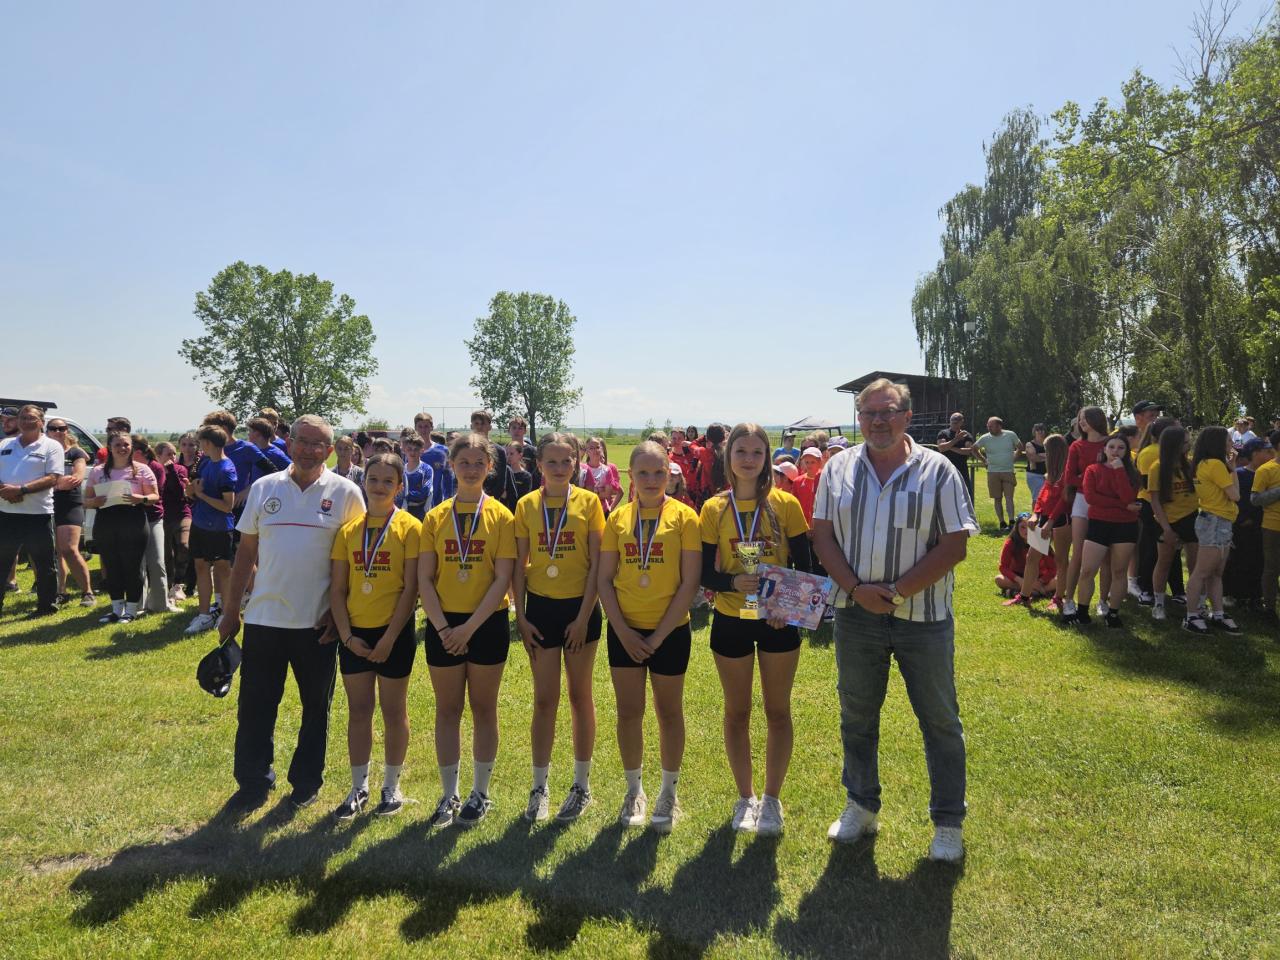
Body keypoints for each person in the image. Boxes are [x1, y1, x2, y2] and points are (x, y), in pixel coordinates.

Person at [812, 378, 976, 862]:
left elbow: (955, 544)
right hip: (856, 616)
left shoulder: (938, 470)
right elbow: (823, 537)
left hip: (923, 617)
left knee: (940, 721)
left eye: (888, 412)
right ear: (859, 418)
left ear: (907, 416)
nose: (878, 421)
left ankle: (948, 823)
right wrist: (856, 590)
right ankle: (861, 805)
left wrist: (897, 591)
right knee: (857, 716)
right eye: (869, 413)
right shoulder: (837, 469)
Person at [219, 415, 365, 809]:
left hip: (317, 623)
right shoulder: (265, 488)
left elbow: (356, 559)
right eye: (302, 441)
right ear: (290, 443)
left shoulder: (347, 493)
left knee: (316, 709)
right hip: (263, 619)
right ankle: (253, 782)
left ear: (329, 450)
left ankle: (306, 782)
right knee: (255, 707)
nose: (308, 450)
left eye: (318, 444)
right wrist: (231, 611)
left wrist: (339, 614)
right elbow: (245, 554)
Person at [699, 423, 811, 836]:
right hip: (732, 620)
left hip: (777, 622)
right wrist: (732, 582)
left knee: (778, 711)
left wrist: (789, 608)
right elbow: (704, 573)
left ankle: (772, 799)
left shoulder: (786, 504)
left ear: (767, 458)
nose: (748, 459)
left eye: (757, 453)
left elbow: (807, 567)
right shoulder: (713, 509)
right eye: (740, 452)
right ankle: (745, 798)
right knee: (737, 712)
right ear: (728, 457)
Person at [598, 441, 701, 833]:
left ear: (669, 472)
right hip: (625, 630)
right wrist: (623, 631)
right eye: (643, 472)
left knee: (669, 712)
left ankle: (669, 794)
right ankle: (634, 791)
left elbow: (689, 582)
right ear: (630, 475)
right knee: (628, 712)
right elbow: (604, 580)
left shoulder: (684, 517)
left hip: (670, 631)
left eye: (659, 472)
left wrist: (657, 637)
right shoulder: (618, 518)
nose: (652, 480)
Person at [417, 433, 517, 828]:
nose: (472, 470)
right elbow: (425, 579)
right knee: (447, 710)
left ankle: (480, 793)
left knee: (483, 709)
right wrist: (445, 628)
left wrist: (469, 628)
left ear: (490, 467)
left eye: (479, 463)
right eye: (464, 463)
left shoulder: (502, 517)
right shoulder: (435, 517)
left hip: (486, 623)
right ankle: (449, 794)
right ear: (451, 465)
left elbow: (502, 578)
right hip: (443, 624)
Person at [512, 432, 605, 823]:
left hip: (580, 610)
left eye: (567, 461)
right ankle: (540, 787)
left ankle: (581, 786)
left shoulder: (589, 502)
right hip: (540, 611)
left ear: (576, 463)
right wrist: (521, 616)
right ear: (538, 465)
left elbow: (597, 565)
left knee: (580, 697)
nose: (559, 467)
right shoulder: (526, 505)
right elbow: (519, 566)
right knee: (544, 700)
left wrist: (583, 618)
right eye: (551, 461)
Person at [328, 453, 421, 819]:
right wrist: (347, 636)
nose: (379, 487)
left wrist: (389, 638)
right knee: (359, 711)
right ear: (363, 482)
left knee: (394, 711)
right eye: (373, 479)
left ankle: (391, 786)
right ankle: (358, 787)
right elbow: (338, 590)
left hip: (394, 633)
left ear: (399, 487)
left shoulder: (410, 528)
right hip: (355, 635)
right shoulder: (349, 530)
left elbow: (411, 589)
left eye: (387, 481)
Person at [84, 433, 158, 623]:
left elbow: (154, 496)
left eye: (126, 444)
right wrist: (94, 501)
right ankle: (116, 610)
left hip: (133, 520)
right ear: (109, 447)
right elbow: (86, 501)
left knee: (132, 566)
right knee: (111, 565)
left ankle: (131, 610)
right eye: (117, 445)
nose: (122, 448)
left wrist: (140, 498)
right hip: (106, 520)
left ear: (132, 447)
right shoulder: (97, 471)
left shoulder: (142, 469)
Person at [0, 405, 64, 617]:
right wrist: (5, 491)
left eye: (31, 418)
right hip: (6, 513)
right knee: (2, 562)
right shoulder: (5, 444)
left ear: (41, 422)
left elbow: (53, 477)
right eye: (23, 418)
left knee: (44, 563)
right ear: (17, 421)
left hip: (38, 515)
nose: (26, 421)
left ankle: (46, 607)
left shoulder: (51, 446)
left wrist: (21, 490)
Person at [1073, 434, 1141, 628]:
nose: (1115, 451)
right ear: (1104, 449)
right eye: (1111, 447)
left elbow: (1128, 497)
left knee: (1119, 571)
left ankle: (1113, 614)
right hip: (1099, 524)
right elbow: (1092, 498)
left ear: (1127, 451)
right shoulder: (1092, 470)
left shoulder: (1132, 473)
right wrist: (1123, 506)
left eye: (1120, 448)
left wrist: (1119, 471)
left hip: (1125, 526)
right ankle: (1082, 613)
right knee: (1088, 570)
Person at [1183, 426, 1241, 635]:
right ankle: (1191, 616)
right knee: (1203, 572)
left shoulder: (1204, 463)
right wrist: (1232, 470)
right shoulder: (1215, 465)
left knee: (1215, 573)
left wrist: (1231, 467)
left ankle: (1218, 614)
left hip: (1216, 521)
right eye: (1228, 440)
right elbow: (1235, 495)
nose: (1232, 443)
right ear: (1218, 443)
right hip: (1215, 522)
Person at [1006, 434, 1071, 610]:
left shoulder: (1067, 472)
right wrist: (1036, 515)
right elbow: (1043, 496)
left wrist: (1050, 522)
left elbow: (1063, 501)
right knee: (1032, 557)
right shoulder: (1050, 473)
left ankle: (1059, 598)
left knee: (1061, 560)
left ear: (1055, 451)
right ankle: (1024, 596)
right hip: (1044, 518)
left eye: (1047, 450)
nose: (1044, 454)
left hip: (1061, 519)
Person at [185, 426, 238, 634]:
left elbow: (227, 506)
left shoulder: (226, 469)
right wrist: (191, 490)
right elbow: (193, 491)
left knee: (223, 570)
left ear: (207, 443)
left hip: (219, 528)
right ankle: (204, 615)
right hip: (199, 524)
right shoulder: (205, 462)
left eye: (200, 442)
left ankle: (226, 614)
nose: (199, 446)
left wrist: (201, 495)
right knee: (201, 567)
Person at [1059, 407, 1110, 625]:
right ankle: (1069, 599)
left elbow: (1119, 471)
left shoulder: (1111, 443)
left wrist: (1093, 479)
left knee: (1106, 555)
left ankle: (1104, 601)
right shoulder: (1076, 446)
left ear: (1097, 419)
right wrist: (1093, 481)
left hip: (1107, 502)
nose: (1081, 422)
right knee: (1078, 553)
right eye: (1080, 419)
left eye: (1085, 418)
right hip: (1082, 500)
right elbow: (1069, 477)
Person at [1147, 425, 1199, 622]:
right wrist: (1167, 529)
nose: (1188, 445)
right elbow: (1155, 501)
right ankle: (1159, 604)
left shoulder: (1190, 464)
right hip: (1168, 521)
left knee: (1196, 565)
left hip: (1192, 518)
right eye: (1185, 442)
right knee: (1164, 562)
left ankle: (1197, 603)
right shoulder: (1157, 467)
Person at [1133, 417, 1181, 605]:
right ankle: (1146, 588)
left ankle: (1177, 589)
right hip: (1151, 505)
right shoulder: (1150, 453)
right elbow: (1148, 485)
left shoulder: (1173, 453)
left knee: (1171, 548)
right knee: (1151, 548)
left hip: (1169, 506)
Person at [46, 418, 94, 607]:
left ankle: (87, 592)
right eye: (53, 428)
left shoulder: (75, 452)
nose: (58, 431)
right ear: (47, 431)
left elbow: (76, 478)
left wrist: (48, 484)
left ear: (67, 431)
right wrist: (58, 483)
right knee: (56, 551)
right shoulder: (44, 452)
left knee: (69, 548)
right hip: (46, 504)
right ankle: (61, 592)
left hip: (69, 504)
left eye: (62, 428)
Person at [1223, 437, 1272, 604]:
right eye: (1267, 451)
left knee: (1259, 560)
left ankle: (1255, 595)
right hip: (1242, 526)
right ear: (1255, 453)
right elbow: (1234, 499)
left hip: (1263, 525)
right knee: (1239, 559)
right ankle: (1233, 593)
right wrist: (1241, 519)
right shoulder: (1241, 474)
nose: (1271, 454)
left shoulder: (1268, 472)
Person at [127, 435, 172, 614]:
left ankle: (161, 604)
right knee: (137, 564)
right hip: (133, 519)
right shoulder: (126, 468)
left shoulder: (155, 467)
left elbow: (155, 494)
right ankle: (138, 604)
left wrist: (138, 497)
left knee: (157, 562)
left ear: (138, 452)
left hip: (153, 518)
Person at [154, 441, 191, 605]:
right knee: (167, 553)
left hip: (182, 513)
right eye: (169, 454)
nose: (173, 457)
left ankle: (179, 582)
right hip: (164, 515)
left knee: (184, 545)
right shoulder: (155, 471)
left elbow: (179, 492)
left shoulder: (180, 469)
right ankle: (169, 585)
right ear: (158, 456)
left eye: (174, 453)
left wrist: (171, 471)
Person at [1251, 430, 1280, 625]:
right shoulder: (1266, 470)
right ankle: (1269, 609)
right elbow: (1255, 499)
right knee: (1272, 568)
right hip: (1273, 527)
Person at [973, 417, 1021, 532]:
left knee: (1009, 498)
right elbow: (974, 449)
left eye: (991, 426)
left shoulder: (1011, 435)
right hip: (992, 472)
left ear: (999, 426)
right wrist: (984, 460)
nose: (988, 428)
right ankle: (1002, 523)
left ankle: (1011, 521)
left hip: (1008, 471)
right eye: (988, 426)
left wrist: (1014, 459)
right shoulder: (985, 437)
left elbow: (1020, 447)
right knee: (997, 498)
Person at [996, 513, 1056, 599]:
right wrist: (1020, 580)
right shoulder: (1011, 543)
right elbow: (1003, 567)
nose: (1026, 531)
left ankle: (1023, 592)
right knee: (999, 579)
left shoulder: (1040, 540)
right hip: (1018, 576)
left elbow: (1053, 569)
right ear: (1016, 528)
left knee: (1060, 580)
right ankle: (1038, 592)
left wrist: (1040, 581)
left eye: (1029, 527)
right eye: (1022, 527)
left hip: (1039, 577)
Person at [468, 410, 518, 511]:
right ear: (471, 426)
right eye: (476, 423)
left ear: (490, 427)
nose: (479, 427)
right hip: (468, 498)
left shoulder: (499, 451)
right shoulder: (465, 449)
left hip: (491, 501)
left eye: (483, 424)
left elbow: (501, 482)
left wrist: (488, 499)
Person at [413, 414, 451, 506]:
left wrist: (448, 500)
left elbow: (448, 478)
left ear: (432, 427)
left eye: (426, 426)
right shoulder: (410, 450)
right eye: (420, 426)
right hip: (414, 504)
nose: (423, 430)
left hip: (436, 503)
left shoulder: (442, 450)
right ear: (415, 428)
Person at [580, 437, 622, 515]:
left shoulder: (607, 470)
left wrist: (592, 493)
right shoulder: (583, 469)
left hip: (603, 510)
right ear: (587, 451)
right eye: (591, 448)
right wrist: (600, 492)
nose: (595, 450)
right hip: (586, 510)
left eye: (597, 447)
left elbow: (607, 494)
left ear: (601, 449)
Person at [936, 412, 974, 496]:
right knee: (945, 495)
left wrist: (949, 447)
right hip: (945, 469)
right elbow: (941, 448)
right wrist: (956, 439)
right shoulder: (943, 433)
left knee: (965, 494)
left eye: (956, 422)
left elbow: (969, 451)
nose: (954, 424)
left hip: (962, 470)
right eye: (952, 422)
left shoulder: (966, 435)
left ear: (961, 422)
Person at [398, 435, 434, 521]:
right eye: (409, 449)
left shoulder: (427, 469)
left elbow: (424, 492)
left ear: (422, 450)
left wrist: (405, 495)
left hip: (420, 512)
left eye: (416, 449)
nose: (412, 452)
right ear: (404, 450)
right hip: (401, 511)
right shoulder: (400, 470)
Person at [508, 416, 541, 490]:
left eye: (520, 428)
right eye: (514, 428)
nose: (517, 431)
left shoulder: (533, 451)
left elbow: (538, 474)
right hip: (509, 490)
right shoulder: (504, 451)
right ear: (509, 430)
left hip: (529, 489)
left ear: (525, 431)